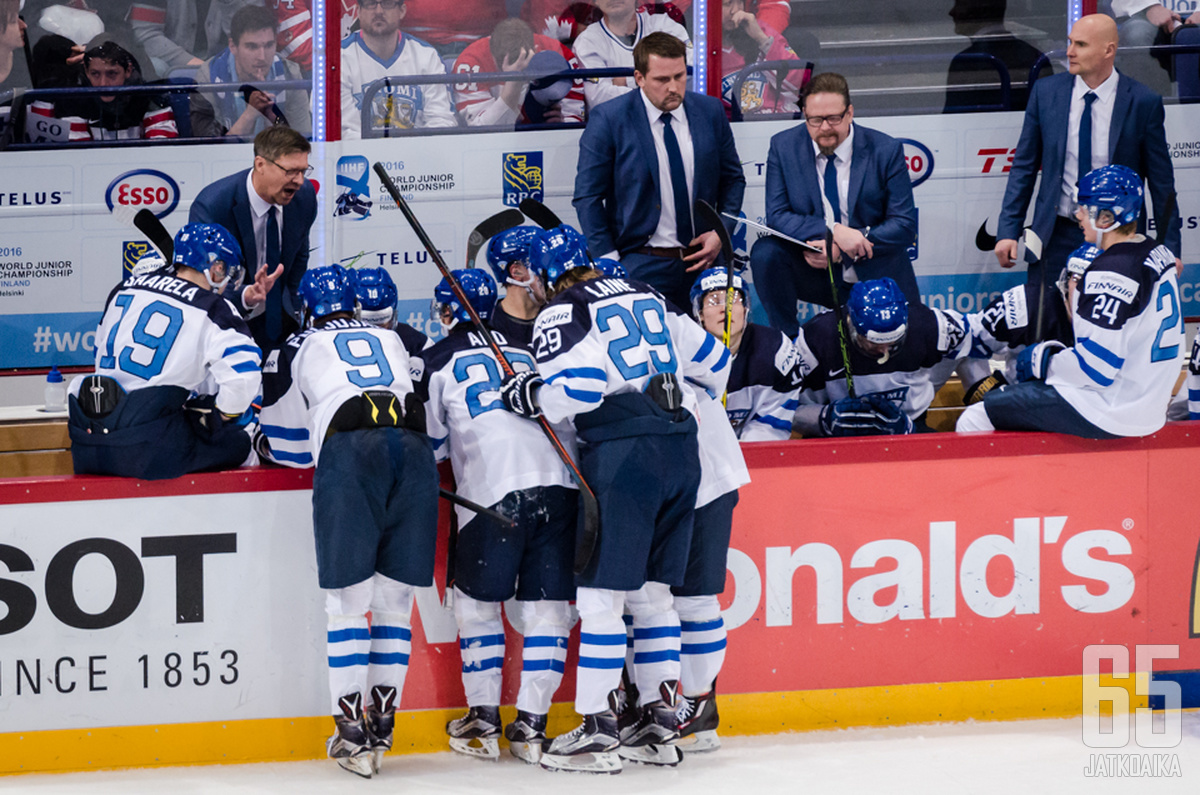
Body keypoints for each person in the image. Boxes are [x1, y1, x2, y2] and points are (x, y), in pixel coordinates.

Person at [497, 231, 730, 774]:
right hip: (682, 450)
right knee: (654, 597)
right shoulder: (646, 291)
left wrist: (533, 394)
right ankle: (657, 722)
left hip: (625, 458)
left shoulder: (562, 311)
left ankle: (598, 731)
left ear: (547, 275)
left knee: (601, 599)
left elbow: (576, 391)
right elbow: (715, 360)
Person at [255, 264, 439, 779]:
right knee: (395, 602)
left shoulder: (296, 346)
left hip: (352, 454)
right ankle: (383, 722)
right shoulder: (391, 339)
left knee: (348, 602)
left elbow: (290, 448)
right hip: (415, 451)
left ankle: (351, 730)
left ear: (305, 309)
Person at [420, 268, 578, 765]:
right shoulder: (530, 352)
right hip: (560, 487)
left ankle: (483, 721)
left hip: (495, 494)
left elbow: (431, 445)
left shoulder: (436, 361)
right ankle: (531, 726)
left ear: (446, 313)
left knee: (476, 606)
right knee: (550, 609)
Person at [959, 165, 1184, 439]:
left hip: (1111, 409)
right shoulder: (1158, 252)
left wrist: (1046, 362)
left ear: (1107, 217)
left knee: (975, 417)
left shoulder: (1110, 271)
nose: (1076, 214)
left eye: (1084, 208)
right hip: (1150, 404)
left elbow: (1096, 369)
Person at [992, 13, 1180, 300]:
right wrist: (1008, 230)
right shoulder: (1046, 93)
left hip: (1117, 238)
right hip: (1053, 234)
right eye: (1070, 42)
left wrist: (1170, 249)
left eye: (1080, 44)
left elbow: (1162, 185)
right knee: (1047, 328)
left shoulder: (1143, 102)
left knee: (1111, 328)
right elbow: (1024, 168)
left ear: (1108, 50)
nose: (1069, 52)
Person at [67, 222, 259, 480]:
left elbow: (98, 351)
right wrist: (221, 415)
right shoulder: (214, 308)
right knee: (242, 442)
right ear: (216, 268)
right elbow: (243, 379)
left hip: (87, 442)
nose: (226, 284)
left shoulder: (122, 289)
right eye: (227, 272)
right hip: (148, 450)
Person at [573, 31, 745, 312]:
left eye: (679, 76)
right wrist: (611, 261)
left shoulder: (710, 111)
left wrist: (720, 232)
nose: (674, 87)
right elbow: (587, 196)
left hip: (704, 258)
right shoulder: (609, 119)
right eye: (662, 80)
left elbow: (733, 180)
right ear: (639, 78)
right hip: (641, 260)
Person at [748, 72, 919, 339]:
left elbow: (904, 224)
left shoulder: (885, 149)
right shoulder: (783, 147)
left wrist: (849, 245)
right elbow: (778, 215)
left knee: (908, 354)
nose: (825, 127)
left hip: (873, 271)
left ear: (850, 113)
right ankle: (788, 345)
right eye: (815, 120)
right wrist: (833, 232)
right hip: (815, 269)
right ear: (804, 114)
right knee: (765, 252)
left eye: (833, 118)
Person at [791, 278, 971, 437]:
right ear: (852, 326)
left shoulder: (928, 323)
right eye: (874, 343)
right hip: (837, 433)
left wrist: (978, 388)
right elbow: (783, 408)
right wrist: (825, 419)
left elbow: (972, 338)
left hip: (910, 426)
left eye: (893, 341)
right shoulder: (815, 338)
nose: (884, 350)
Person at [190, 125, 317, 352]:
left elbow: (300, 255)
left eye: (303, 171)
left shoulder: (304, 197)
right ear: (260, 165)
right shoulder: (213, 207)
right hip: (227, 323)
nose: (299, 181)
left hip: (283, 317)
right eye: (290, 171)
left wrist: (295, 306)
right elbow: (203, 282)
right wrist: (247, 295)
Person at [690, 267, 801, 440]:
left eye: (733, 300)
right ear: (700, 313)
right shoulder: (681, 354)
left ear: (745, 309)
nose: (725, 309)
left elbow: (771, 424)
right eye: (714, 300)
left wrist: (744, 457)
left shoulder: (775, 350)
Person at [339, 0, 456, 139]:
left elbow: (442, 121)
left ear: (402, 10)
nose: (378, 11)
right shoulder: (338, 58)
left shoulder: (427, 55)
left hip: (419, 155)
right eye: (370, 3)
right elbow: (345, 131)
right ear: (358, 11)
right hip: (363, 157)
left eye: (387, 3)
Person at [191, 4, 312, 138]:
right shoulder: (208, 78)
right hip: (228, 158)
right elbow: (210, 149)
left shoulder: (290, 75)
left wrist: (271, 115)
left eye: (269, 45)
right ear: (233, 46)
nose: (262, 57)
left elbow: (302, 143)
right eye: (252, 47)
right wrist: (250, 114)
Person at [27, 37, 178, 141]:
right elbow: (77, 158)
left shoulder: (150, 96)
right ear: (86, 70)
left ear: (128, 70)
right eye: (95, 74)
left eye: (112, 73)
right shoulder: (72, 100)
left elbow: (160, 153)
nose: (103, 83)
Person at [450, 18, 586, 128]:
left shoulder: (559, 54)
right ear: (492, 52)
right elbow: (482, 131)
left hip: (545, 139)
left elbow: (575, 121)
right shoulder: (470, 62)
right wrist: (514, 82)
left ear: (535, 49)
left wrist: (562, 124)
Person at [571, 0, 690, 108]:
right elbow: (599, 100)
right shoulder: (588, 41)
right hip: (618, 127)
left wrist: (627, 81)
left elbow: (692, 73)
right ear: (596, 1)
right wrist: (661, 86)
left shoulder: (664, 25)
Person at [942, 0, 1050, 113]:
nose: (951, 12)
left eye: (960, 5)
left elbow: (953, 121)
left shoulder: (967, 61)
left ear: (982, 11)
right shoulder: (1035, 57)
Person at [718, 0, 809, 118]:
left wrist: (762, 40)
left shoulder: (762, 30)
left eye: (740, 2)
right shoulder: (701, 48)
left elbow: (801, 82)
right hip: (735, 127)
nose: (735, 10)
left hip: (777, 119)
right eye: (728, 3)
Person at [128, 0, 261, 73]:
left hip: (223, 60)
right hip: (172, 63)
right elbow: (145, 36)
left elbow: (251, 35)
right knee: (157, 66)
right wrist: (194, 64)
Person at [352, 266, 432, 378]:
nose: (377, 332)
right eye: (368, 325)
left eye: (382, 324)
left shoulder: (417, 343)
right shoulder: (331, 344)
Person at [1107, 1, 1198, 95]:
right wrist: (1150, 6)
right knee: (1137, 35)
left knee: (1192, 37)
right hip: (1140, 13)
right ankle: (1153, 105)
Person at [485, 225, 546, 349]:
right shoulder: (488, 328)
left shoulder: (561, 315)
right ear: (517, 272)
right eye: (543, 263)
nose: (552, 272)